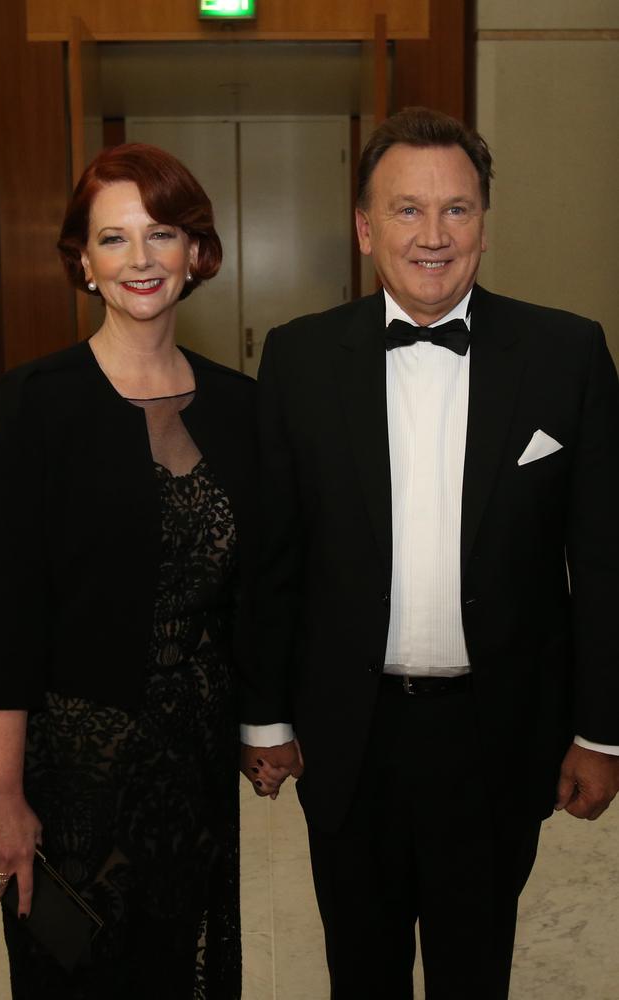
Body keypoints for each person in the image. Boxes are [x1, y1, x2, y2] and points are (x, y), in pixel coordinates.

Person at [240, 107, 619, 998]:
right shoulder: (298, 361)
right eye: (407, 211)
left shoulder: (567, 354)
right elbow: (273, 558)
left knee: (473, 972)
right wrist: (265, 718)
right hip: (347, 734)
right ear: (367, 227)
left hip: (498, 735)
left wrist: (601, 732)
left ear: (486, 221)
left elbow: (603, 560)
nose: (434, 235)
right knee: (359, 975)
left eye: (457, 209)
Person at [0, 142, 256, 999]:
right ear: (83, 262)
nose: (141, 259)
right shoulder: (37, 403)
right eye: (114, 238)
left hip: (198, 772)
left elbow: (266, 584)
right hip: (77, 780)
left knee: (188, 977)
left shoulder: (242, 406)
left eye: (161, 234)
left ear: (196, 254)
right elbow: (4, 617)